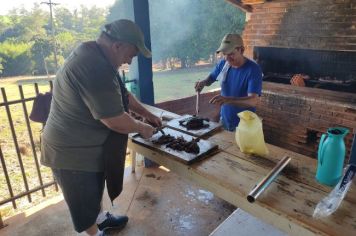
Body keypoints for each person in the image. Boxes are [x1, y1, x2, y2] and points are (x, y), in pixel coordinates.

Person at [41, 19, 162, 236]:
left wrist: (147, 114)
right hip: (71, 152)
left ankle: (101, 219)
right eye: (131, 55)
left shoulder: (99, 55)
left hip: (87, 144)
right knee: (83, 201)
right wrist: (142, 128)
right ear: (118, 46)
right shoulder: (93, 66)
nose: (130, 61)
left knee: (94, 191)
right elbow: (114, 120)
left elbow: (123, 95)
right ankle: (94, 232)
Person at [195, 33, 262, 131]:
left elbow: (253, 101)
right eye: (224, 54)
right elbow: (211, 79)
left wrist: (227, 100)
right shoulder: (223, 63)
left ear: (241, 50)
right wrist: (203, 82)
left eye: (231, 54)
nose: (226, 58)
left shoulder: (253, 69)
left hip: (244, 125)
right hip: (225, 120)